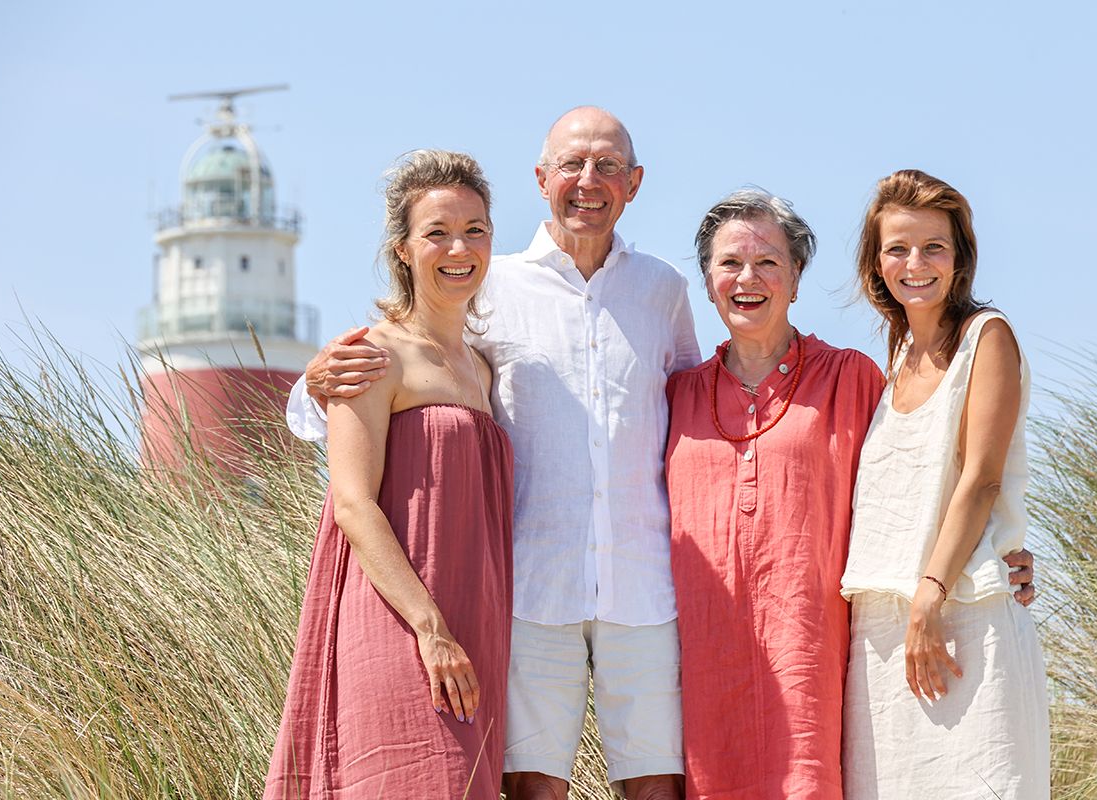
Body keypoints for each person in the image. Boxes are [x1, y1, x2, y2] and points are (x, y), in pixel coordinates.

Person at [286, 107, 700, 800]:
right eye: (571, 164)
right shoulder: (488, 285)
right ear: (542, 179)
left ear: (634, 182)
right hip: (529, 589)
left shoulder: (664, 291)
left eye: (607, 165)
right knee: (524, 787)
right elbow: (364, 395)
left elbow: (692, 414)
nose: (588, 181)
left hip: (642, 582)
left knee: (659, 785)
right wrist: (312, 382)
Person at [263, 150, 514, 799]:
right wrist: (429, 629)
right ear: (402, 249)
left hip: (477, 628)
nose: (458, 248)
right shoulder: (371, 356)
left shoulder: (484, 368)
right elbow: (352, 505)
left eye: (475, 229)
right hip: (401, 625)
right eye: (437, 232)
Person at [665, 190, 883, 798]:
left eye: (767, 262)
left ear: (795, 278)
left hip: (812, 660)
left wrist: (996, 549)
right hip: (701, 667)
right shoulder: (676, 394)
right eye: (729, 263)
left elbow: (914, 487)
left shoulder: (850, 376)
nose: (747, 278)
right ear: (708, 283)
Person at [840, 169, 1050, 798]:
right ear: (877, 263)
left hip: (964, 617)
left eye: (934, 246)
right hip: (881, 636)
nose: (915, 263)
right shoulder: (892, 362)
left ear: (959, 259)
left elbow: (982, 480)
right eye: (897, 248)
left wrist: (927, 598)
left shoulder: (987, 339)